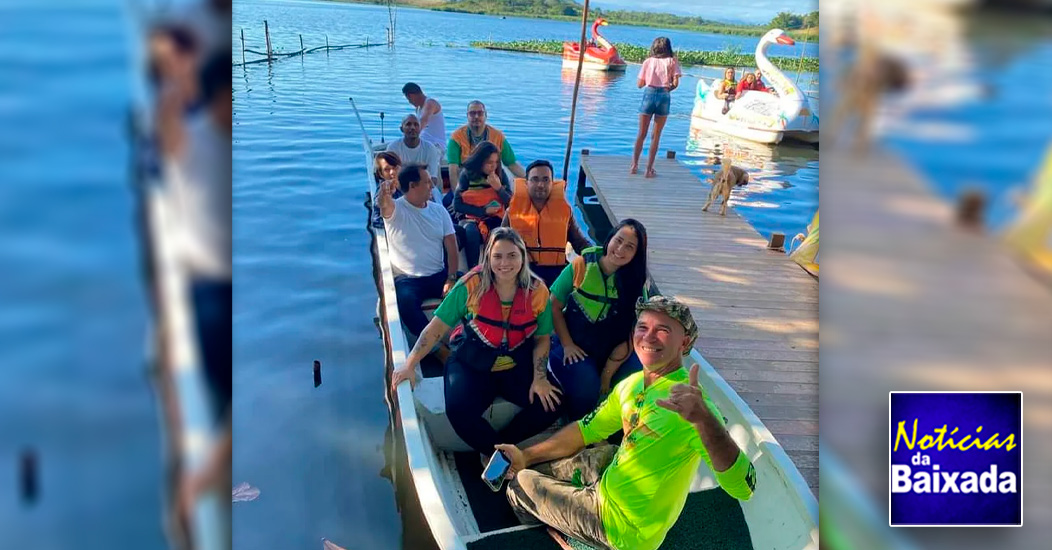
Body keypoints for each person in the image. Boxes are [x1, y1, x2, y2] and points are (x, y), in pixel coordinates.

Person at [497, 296, 756, 550]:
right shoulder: (631, 385)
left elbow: (744, 488)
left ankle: (549, 525)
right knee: (576, 455)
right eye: (642, 327)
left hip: (622, 530)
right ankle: (550, 488)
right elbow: (586, 429)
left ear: (684, 342)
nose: (648, 337)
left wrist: (705, 421)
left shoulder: (694, 407)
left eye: (663, 330)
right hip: (611, 482)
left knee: (520, 485)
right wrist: (525, 455)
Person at [390, 228, 563, 457]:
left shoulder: (537, 290)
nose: (505, 263)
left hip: (515, 362)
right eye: (497, 256)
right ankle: (498, 456)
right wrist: (410, 364)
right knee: (458, 410)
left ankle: (501, 449)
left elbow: (542, 339)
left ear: (523, 257)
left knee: (553, 401)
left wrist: (540, 378)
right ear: (488, 257)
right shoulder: (471, 285)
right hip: (472, 360)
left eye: (512, 255)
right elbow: (436, 328)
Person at [548, 220, 650, 421]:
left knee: (640, 373)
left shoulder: (636, 281)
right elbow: (553, 306)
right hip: (573, 346)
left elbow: (635, 330)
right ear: (610, 238)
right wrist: (567, 345)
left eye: (630, 247)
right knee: (588, 385)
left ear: (636, 254)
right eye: (618, 241)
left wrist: (608, 372)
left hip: (615, 350)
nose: (620, 249)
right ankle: (576, 422)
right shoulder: (581, 265)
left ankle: (619, 427)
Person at [376, 164, 459, 350]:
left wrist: (451, 278)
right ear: (413, 186)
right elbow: (385, 206)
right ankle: (439, 350)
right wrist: (384, 195)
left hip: (439, 276)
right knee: (404, 301)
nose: (432, 185)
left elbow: (452, 247)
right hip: (409, 280)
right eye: (427, 182)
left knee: (475, 284)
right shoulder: (396, 210)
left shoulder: (439, 211)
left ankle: (469, 339)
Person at [503, 159, 592, 287]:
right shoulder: (512, 212)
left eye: (545, 180)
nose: (540, 184)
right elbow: (498, 243)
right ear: (526, 184)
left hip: (556, 273)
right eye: (535, 179)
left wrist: (594, 254)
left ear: (552, 183)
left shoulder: (564, 212)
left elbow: (579, 242)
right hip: (522, 271)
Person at [454, 141, 512, 268]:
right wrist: (483, 211)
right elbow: (457, 205)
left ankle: (495, 268)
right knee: (471, 233)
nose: (493, 166)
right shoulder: (467, 175)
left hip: (495, 217)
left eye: (496, 162)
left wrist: (499, 188)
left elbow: (511, 203)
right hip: (471, 217)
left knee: (499, 233)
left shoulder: (500, 174)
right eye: (489, 163)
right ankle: (473, 270)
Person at [631, 37, 681, 179]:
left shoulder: (648, 62)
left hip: (649, 94)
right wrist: (666, 88)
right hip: (664, 95)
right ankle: (649, 169)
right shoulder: (672, 61)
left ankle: (634, 165)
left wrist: (650, 80)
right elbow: (676, 83)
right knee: (656, 136)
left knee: (641, 134)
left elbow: (640, 84)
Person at [447, 100, 526, 185]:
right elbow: (453, 169)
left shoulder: (497, 136)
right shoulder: (456, 137)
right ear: (467, 116)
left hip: (491, 178)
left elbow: (511, 164)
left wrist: (529, 179)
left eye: (480, 113)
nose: (476, 116)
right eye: (472, 113)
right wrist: (456, 193)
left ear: (486, 115)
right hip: (467, 178)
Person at [387, 114, 442, 186]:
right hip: (399, 188)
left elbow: (433, 178)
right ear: (401, 129)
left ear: (420, 128)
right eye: (408, 124)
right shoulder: (393, 148)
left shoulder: (430, 149)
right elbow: (389, 176)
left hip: (424, 188)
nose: (412, 127)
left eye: (416, 125)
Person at [402, 82, 447, 156]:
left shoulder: (430, 103)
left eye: (409, 99)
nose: (409, 102)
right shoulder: (418, 108)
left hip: (436, 145)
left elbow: (423, 121)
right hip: (423, 143)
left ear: (411, 95)